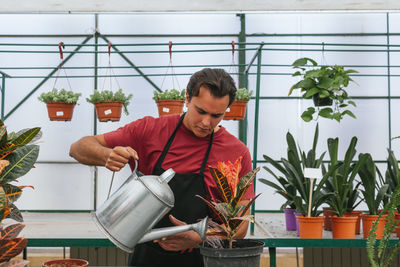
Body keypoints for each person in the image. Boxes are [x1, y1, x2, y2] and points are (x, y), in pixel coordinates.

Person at [69, 68, 254, 267]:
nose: (206, 122)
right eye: (200, 111)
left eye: (217, 115)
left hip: (205, 259)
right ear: (187, 99)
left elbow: (240, 226)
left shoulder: (236, 153)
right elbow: (78, 148)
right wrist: (107, 155)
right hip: (147, 257)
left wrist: (199, 236)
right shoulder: (150, 130)